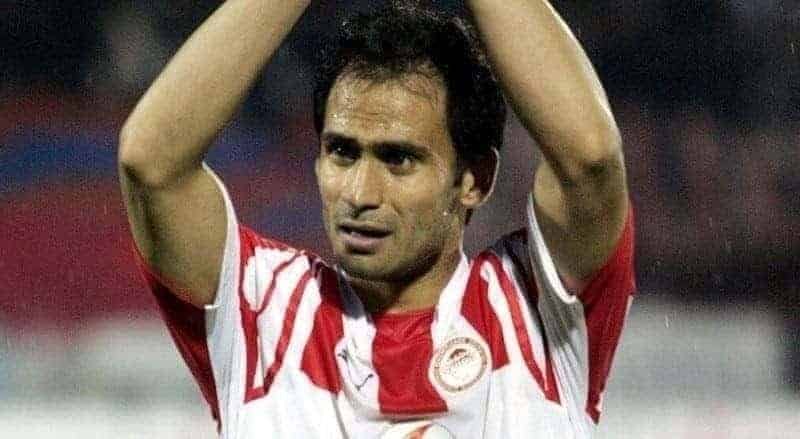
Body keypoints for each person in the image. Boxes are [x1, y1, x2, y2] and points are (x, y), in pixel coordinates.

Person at [118, 1, 635, 437]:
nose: (360, 194)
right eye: (342, 152)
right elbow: (151, 164)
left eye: (398, 159)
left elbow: (590, 159)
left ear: (474, 179)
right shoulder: (261, 310)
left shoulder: (535, 306)